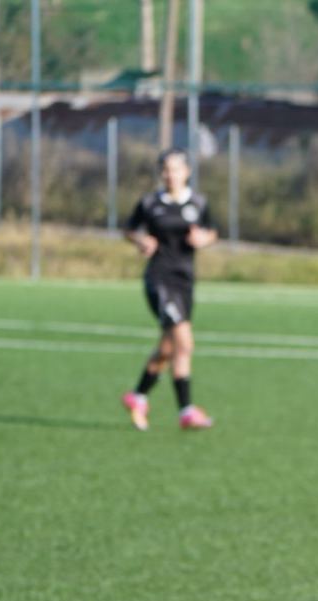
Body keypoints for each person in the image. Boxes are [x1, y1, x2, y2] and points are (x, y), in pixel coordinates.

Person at [120, 148, 217, 431]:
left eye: (175, 169)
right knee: (184, 343)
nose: (169, 174)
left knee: (167, 347)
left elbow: (212, 231)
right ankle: (186, 411)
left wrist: (204, 239)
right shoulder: (150, 203)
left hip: (184, 280)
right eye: (164, 169)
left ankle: (138, 396)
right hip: (159, 279)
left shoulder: (198, 202)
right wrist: (140, 240)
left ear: (186, 172)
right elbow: (130, 230)